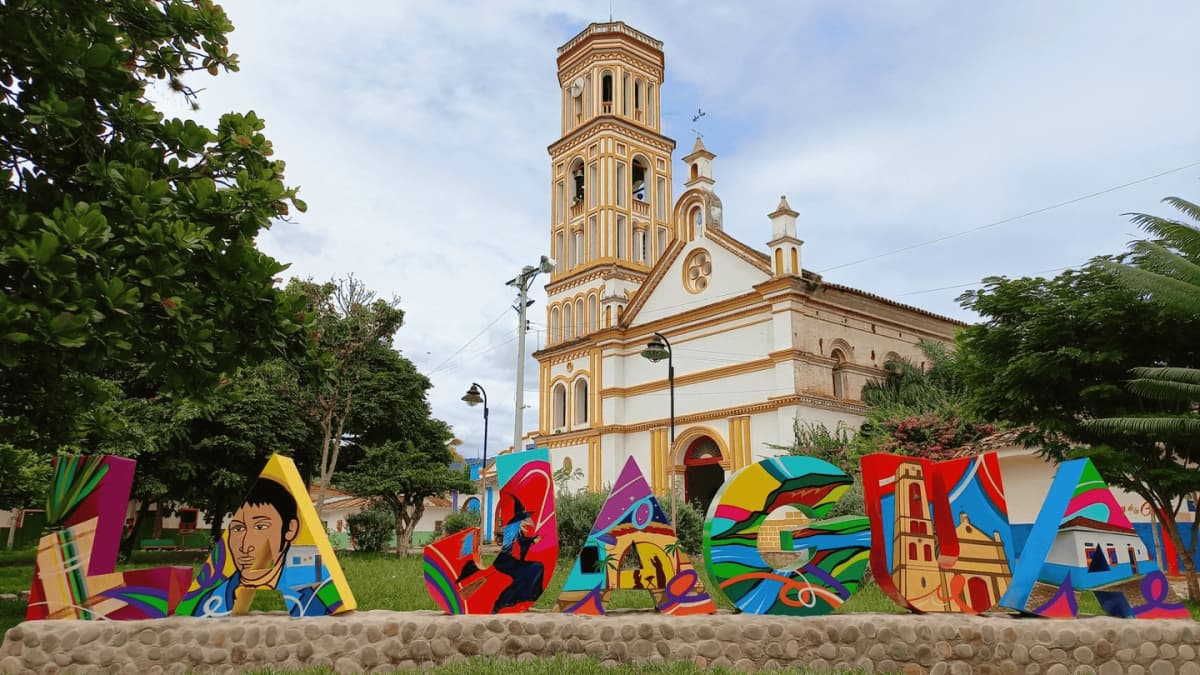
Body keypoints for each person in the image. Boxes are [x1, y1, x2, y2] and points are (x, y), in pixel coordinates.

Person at [179, 478, 300, 616]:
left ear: (290, 529)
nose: (245, 546)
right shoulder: (207, 602)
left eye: (261, 527)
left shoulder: (313, 593)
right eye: (238, 528)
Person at [491, 496, 545, 613]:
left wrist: (531, 540)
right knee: (530, 570)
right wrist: (532, 541)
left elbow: (520, 541)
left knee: (537, 567)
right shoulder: (512, 527)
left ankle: (526, 597)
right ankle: (504, 601)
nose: (526, 522)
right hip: (505, 562)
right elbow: (515, 544)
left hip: (511, 561)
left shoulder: (517, 529)